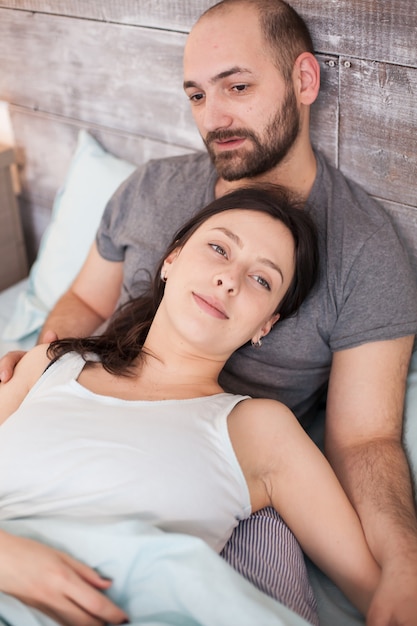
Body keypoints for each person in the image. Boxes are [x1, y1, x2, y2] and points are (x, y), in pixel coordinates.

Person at [1, 0, 417, 624]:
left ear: (304, 80)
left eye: (238, 87)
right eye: (196, 95)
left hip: (204, 472)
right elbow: (87, 299)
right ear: (172, 259)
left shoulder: (364, 252)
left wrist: (404, 569)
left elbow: (365, 439)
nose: (213, 117)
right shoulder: (149, 188)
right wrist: (45, 363)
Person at [0, 187, 382, 626]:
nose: (230, 280)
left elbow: (379, 592)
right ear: (172, 259)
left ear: (266, 324)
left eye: (262, 280)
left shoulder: (259, 428)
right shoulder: (49, 366)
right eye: (219, 248)